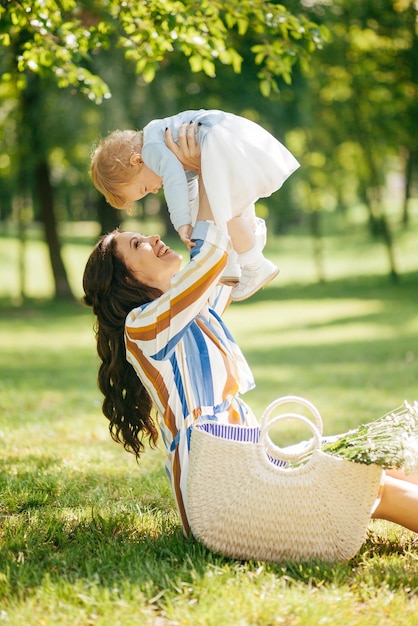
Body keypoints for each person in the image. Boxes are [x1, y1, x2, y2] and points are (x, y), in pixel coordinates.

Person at [83, 127, 418, 540]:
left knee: (380, 464)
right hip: (221, 493)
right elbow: (209, 258)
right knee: (373, 487)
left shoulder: (190, 311)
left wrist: (215, 168)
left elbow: (231, 260)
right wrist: (204, 171)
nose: (154, 238)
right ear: (126, 282)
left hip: (246, 465)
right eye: (138, 246)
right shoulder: (143, 327)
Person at [89, 108, 300, 301]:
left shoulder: (152, 150)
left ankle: (255, 265)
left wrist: (181, 223)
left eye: (144, 189)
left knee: (226, 217)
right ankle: (234, 265)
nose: (154, 191)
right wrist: (191, 216)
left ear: (136, 161)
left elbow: (176, 181)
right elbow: (188, 181)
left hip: (217, 143)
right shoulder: (160, 139)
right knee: (229, 212)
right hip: (224, 138)